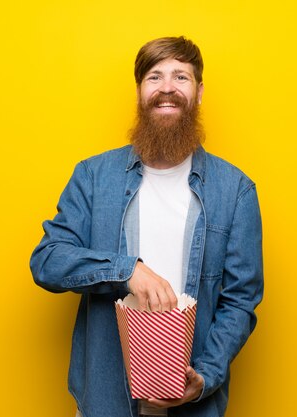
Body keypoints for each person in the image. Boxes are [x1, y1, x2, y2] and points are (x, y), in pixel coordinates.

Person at [30, 36, 263, 417]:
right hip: (105, 400)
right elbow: (48, 260)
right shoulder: (92, 176)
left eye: (180, 77)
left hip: (194, 404)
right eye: (154, 77)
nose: (167, 87)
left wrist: (204, 376)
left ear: (199, 92)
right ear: (139, 92)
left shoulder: (235, 190)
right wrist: (127, 271)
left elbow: (241, 299)